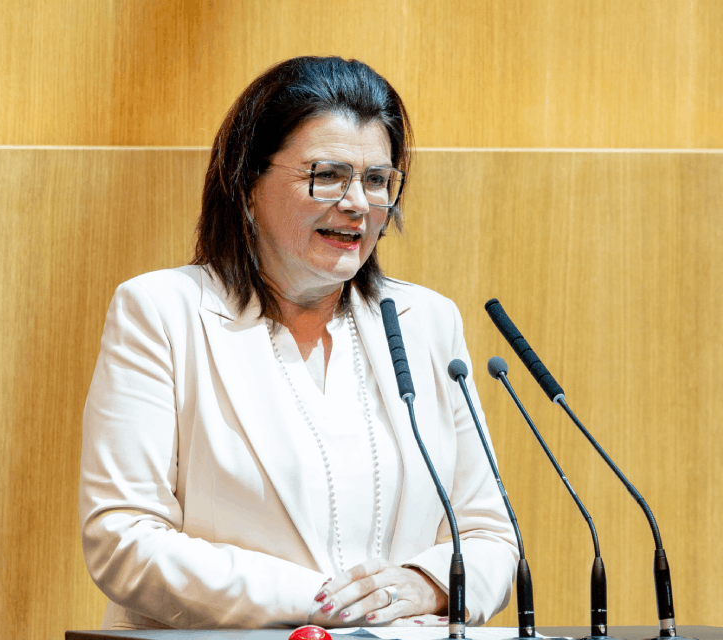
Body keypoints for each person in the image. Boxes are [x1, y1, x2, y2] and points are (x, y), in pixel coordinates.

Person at [79, 55, 516, 631]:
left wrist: (426, 584)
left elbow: (489, 534)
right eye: (328, 175)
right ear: (248, 184)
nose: (357, 204)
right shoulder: (162, 313)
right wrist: (324, 601)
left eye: (377, 181)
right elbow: (123, 538)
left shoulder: (426, 322)